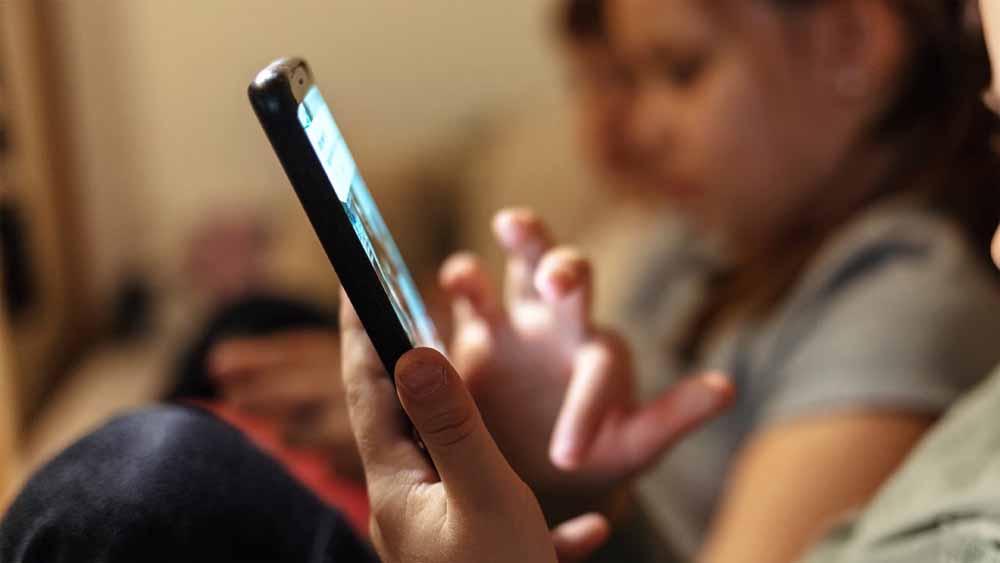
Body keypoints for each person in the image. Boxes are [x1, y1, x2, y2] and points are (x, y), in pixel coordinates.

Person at [331, 1, 1000, 561]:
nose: (641, 126)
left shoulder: (905, 293)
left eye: (682, 71)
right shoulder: (699, 249)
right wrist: (557, 482)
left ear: (850, 41)